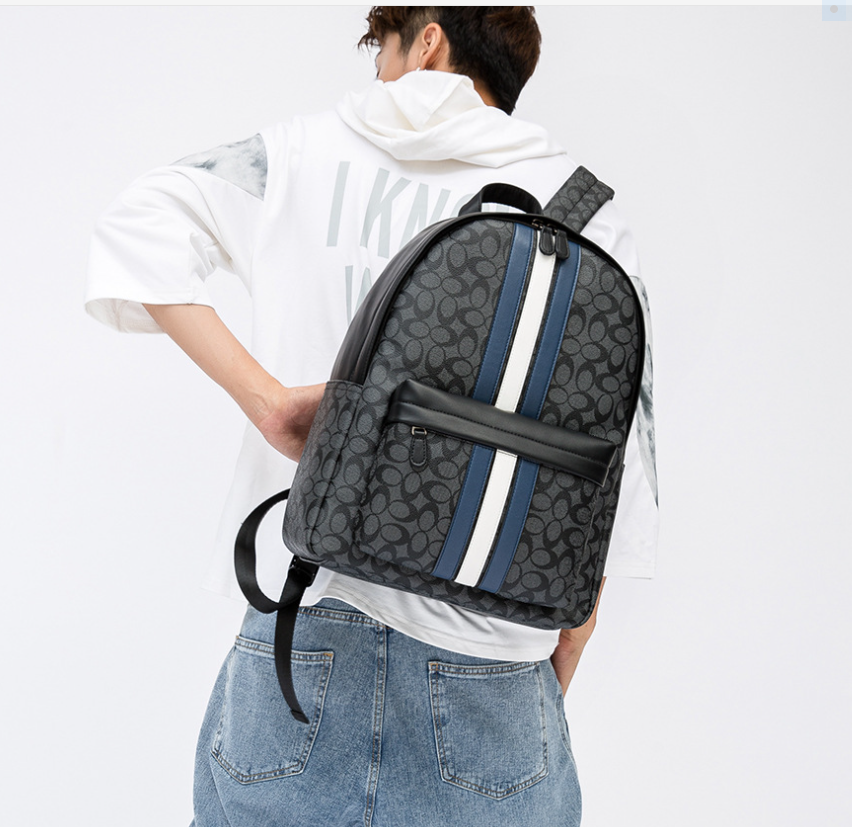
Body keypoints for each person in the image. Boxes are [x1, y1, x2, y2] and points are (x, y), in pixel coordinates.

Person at [86, 7, 658, 826]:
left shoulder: (296, 155)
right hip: (493, 672)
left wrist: (269, 402)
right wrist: (539, 688)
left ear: (427, 41)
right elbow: (613, 497)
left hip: (298, 637)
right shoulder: (587, 217)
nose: (378, 75)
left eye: (381, 51)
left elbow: (134, 225)